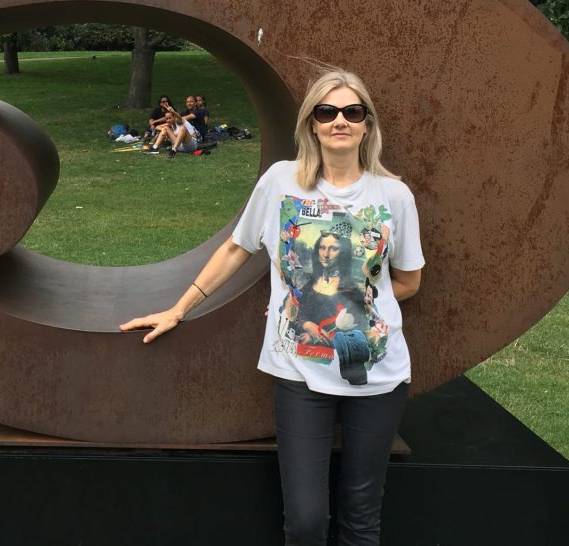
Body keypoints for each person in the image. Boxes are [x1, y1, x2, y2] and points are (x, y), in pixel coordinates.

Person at [121, 67, 424, 545]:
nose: (339, 121)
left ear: (367, 124)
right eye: (327, 112)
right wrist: (178, 309)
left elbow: (407, 281)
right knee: (304, 521)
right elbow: (236, 249)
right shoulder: (281, 182)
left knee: (362, 518)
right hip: (298, 373)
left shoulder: (394, 196)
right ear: (311, 124)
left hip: (377, 376)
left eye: (352, 111)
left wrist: (335, 302)